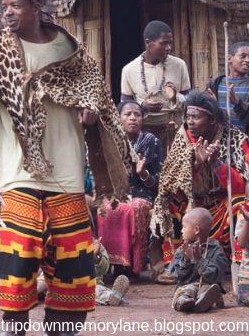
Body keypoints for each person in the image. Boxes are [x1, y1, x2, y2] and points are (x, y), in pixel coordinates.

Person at [0, 0, 132, 336]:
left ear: (36, 8)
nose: (7, 13)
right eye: (3, 7)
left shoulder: (70, 50)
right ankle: (16, 331)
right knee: (16, 266)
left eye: (15, 6)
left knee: (74, 270)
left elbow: (98, 100)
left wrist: (90, 113)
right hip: (18, 173)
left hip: (67, 174)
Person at [151, 91, 249, 284]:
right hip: (193, 206)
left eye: (196, 117)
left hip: (223, 207)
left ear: (212, 120)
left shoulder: (235, 139)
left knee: (241, 204)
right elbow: (169, 181)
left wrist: (216, 165)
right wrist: (194, 165)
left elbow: (243, 183)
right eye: (188, 116)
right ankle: (175, 264)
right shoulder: (183, 137)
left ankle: (239, 264)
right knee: (170, 201)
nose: (190, 122)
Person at [97, 101, 164, 280]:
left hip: (142, 193)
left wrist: (143, 174)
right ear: (118, 119)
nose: (133, 118)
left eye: (137, 114)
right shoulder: (109, 140)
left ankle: (132, 267)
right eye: (128, 114)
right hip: (115, 193)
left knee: (136, 207)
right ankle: (110, 264)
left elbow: (157, 182)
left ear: (142, 119)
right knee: (107, 208)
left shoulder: (150, 141)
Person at [120, 20, 191, 148]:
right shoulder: (129, 69)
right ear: (148, 43)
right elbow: (124, 106)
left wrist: (175, 98)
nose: (168, 48)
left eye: (170, 43)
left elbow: (190, 101)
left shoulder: (179, 65)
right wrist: (143, 106)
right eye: (164, 43)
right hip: (144, 136)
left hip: (176, 134)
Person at [168, 208, 228, 313]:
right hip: (187, 286)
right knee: (188, 290)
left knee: (208, 289)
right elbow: (175, 276)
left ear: (196, 229)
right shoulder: (183, 250)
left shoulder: (215, 249)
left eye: (184, 227)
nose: (181, 231)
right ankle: (185, 303)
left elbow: (216, 275)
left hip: (208, 286)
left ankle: (202, 302)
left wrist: (200, 260)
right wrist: (186, 260)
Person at [208, 41, 249, 134]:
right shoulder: (216, 84)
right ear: (229, 58)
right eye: (243, 56)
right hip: (221, 140)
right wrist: (212, 106)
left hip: (245, 143)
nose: (247, 60)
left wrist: (237, 103)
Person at [92, 238, 130, 307]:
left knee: (101, 292)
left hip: (94, 284)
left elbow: (104, 270)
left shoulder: (96, 245)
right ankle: (103, 300)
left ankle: (113, 297)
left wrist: (97, 256)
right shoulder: (68, 245)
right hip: (73, 286)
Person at [236, 187, 249, 306]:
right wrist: (247, 221)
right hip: (247, 277)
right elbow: (241, 243)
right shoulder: (242, 220)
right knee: (245, 301)